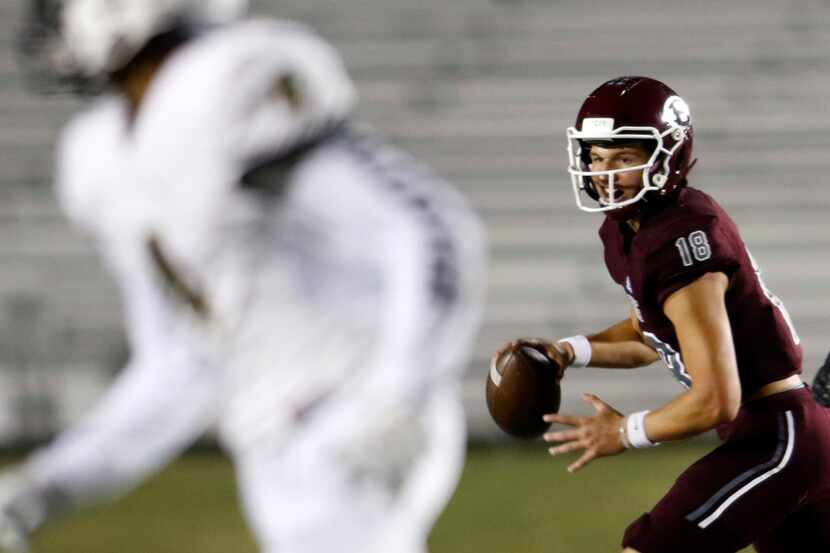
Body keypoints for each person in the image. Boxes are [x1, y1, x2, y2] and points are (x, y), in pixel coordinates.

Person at [0, 1, 486, 552]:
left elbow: (426, 230)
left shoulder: (222, 84)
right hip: (269, 437)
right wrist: (47, 484)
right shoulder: (98, 158)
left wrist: (397, 392)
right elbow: (178, 366)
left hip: (343, 400)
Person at [494, 76, 830, 552]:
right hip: (780, 434)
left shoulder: (679, 242)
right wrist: (569, 351)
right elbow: (653, 333)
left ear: (666, 157)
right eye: (596, 157)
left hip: (778, 435)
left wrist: (624, 432)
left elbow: (716, 400)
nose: (605, 174)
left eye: (624, 158)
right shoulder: (635, 230)